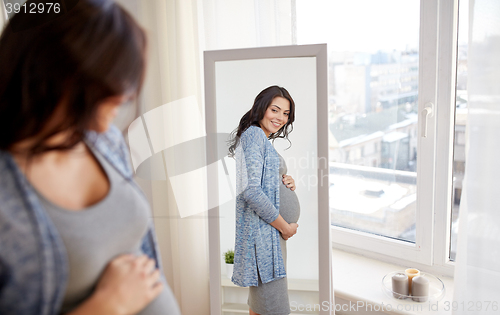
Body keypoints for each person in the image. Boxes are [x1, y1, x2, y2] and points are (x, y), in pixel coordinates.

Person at [0, 1, 181, 314]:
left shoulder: (103, 140)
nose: (106, 118)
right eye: (100, 93)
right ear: (48, 75)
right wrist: (109, 305)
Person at [228, 86, 301, 315]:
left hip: (269, 237)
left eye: (285, 113)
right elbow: (251, 191)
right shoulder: (254, 135)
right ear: (261, 108)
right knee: (274, 309)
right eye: (275, 110)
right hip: (266, 239)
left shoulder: (259, 138)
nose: (280, 117)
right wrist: (285, 227)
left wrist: (284, 181)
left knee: (261, 307)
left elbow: (262, 183)